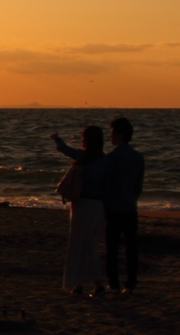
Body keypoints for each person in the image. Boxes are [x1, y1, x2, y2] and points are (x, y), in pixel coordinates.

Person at [50, 126, 111, 296]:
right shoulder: (105, 161)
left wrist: (57, 139)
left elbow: (65, 150)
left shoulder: (84, 157)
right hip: (98, 206)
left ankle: (95, 284)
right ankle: (81, 285)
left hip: (82, 204)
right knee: (89, 244)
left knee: (79, 245)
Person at [105, 116, 145, 293]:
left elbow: (107, 184)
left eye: (113, 133)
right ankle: (131, 283)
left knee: (112, 248)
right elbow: (138, 186)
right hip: (130, 207)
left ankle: (113, 283)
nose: (110, 137)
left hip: (114, 208)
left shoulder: (112, 158)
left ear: (120, 135)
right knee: (131, 248)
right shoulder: (138, 157)